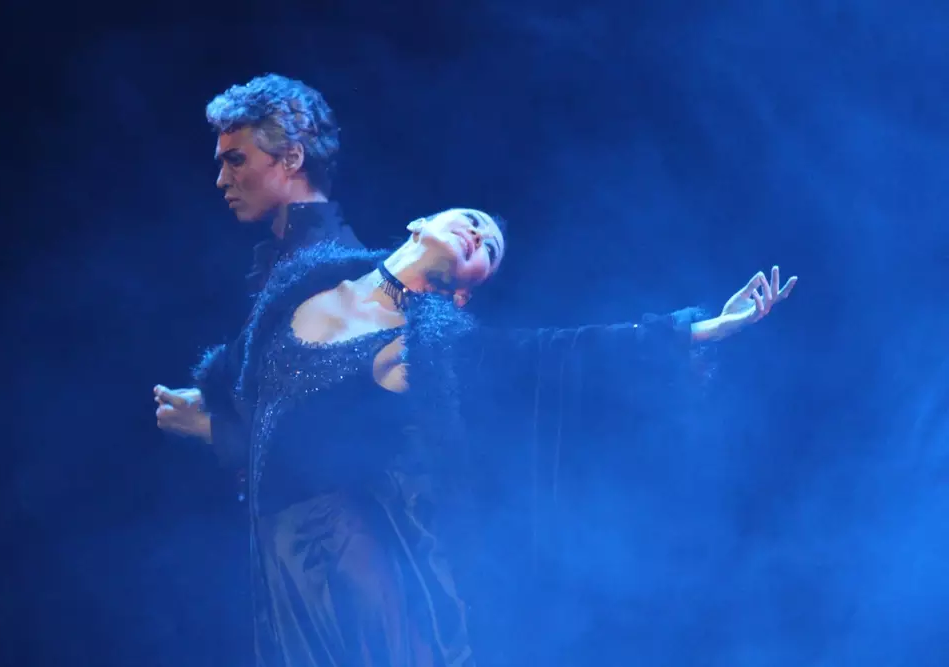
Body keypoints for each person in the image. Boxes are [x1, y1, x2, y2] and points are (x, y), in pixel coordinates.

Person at [191, 206, 796, 665]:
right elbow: (244, 378)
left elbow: (560, 353)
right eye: (473, 222)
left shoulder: (429, 344)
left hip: (348, 560)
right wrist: (202, 408)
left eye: (489, 250)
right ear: (419, 222)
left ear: (465, 291)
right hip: (275, 554)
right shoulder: (308, 280)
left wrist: (701, 330)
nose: (477, 236)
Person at [152, 74, 363, 477]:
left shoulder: (335, 268)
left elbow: (326, 439)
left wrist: (209, 428)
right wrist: (216, 404)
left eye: (236, 160)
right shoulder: (288, 257)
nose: (221, 180)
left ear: (292, 159)